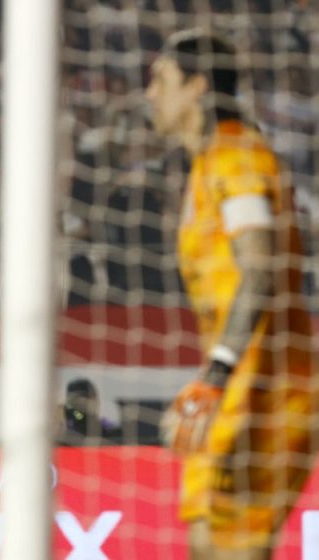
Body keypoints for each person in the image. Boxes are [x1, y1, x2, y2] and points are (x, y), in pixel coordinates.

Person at [148, 30, 317, 559]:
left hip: (270, 392)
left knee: (229, 550)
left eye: (161, 81)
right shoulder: (208, 165)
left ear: (197, 86)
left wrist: (215, 372)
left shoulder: (236, 157)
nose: (149, 94)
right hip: (238, 385)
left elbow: (260, 268)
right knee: (207, 544)